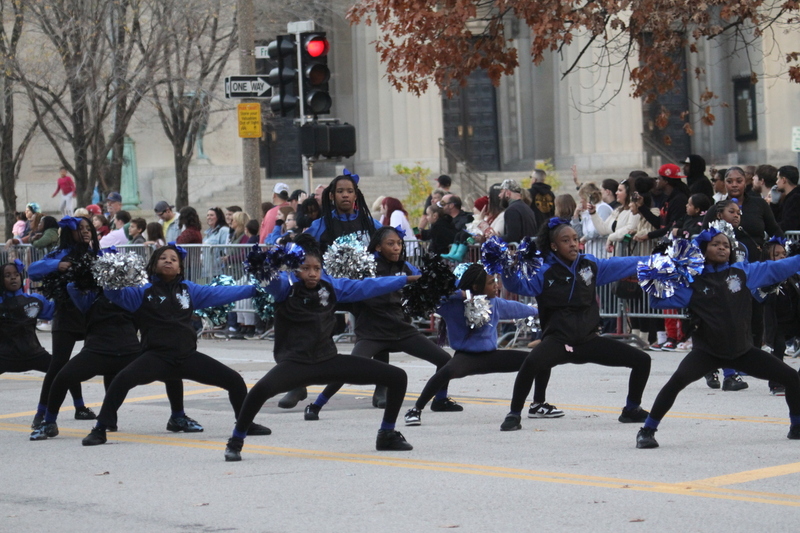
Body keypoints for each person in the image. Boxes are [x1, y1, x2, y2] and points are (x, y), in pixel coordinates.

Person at [224, 235, 419, 461]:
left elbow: (368, 285)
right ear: (295, 269)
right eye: (305, 268)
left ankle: (386, 434)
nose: (312, 273)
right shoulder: (284, 288)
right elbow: (264, 272)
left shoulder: (331, 286)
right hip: (296, 364)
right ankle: (236, 440)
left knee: (397, 377)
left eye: (317, 268)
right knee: (258, 392)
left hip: (328, 361)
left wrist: (405, 280)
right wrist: (273, 257)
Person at [80, 244, 270, 446]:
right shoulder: (140, 292)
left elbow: (222, 293)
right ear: (153, 264)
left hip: (187, 357)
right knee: (121, 381)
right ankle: (100, 428)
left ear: (180, 267)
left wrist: (255, 290)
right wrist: (110, 277)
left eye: (173, 258)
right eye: (163, 258)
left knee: (234, 380)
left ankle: (245, 424)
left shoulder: (190, 290)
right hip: (156, 357)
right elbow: (115, 295)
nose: (168, 260)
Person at [635, 227, 800, 449]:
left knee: (791, 377)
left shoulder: (743, 272)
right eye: (715, 244)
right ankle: (647, 430)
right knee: (675, 383)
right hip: (707, 353)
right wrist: (657, 275)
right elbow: (658, 300)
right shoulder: (692, 282)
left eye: (726, 244)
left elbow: (780, 267)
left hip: (742, 351)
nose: (722, 247)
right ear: (703, 250)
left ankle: (796, 426)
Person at [498, 218, 652, 432]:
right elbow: (517, 284)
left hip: (589, 341)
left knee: (642, 360)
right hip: (558, 341)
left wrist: (656, 260)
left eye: (575, 239)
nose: (572, 244)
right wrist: (504, 268)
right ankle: (514, 414)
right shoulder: (544, 271)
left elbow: (624, 264)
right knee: (531, 364)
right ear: (554, 245)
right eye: (565, 240)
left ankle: (631, 409)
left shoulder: (589, 265)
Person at [304, 227, 457, 420]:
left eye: (399, 244)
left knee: (445, 360)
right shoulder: (366, 268)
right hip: (372, 332)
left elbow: (431, 286)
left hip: (402, 330)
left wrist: (458, 287)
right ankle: (316, 404)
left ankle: (440, 400)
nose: (396, 248)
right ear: (378, 247)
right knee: (348, 369)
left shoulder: (406, 268)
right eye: (390, 244)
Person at [30, 277, 201, 441]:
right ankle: (49, 422)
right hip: (97, 352)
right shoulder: (90, 296)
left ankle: (177, 417)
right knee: (62, 377)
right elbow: (72, 287)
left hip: (131, 353)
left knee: (170, 369)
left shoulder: (132, 296)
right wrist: (87, 273)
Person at [403, 263, 562, 426]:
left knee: (541, 360)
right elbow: (432, 292)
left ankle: (538, 405)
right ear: (476, 286)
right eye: (491, 282)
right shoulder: (451, 305)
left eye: (496, 281)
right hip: (466, 358)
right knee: (446, 372)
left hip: (492, 357)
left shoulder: (496, 303)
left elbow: (524, 309)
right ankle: (415, 409)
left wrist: (548, 311)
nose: (497, 286)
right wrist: (461, 294)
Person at [28, 217, 99, 427]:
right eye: (80, 228)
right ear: (70, 232)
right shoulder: (60, 253)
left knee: (105, 360)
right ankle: (41, 414)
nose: (85, 232)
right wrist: (57, 265)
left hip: (91, 315)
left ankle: (88, 410)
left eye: (88, 228)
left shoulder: (97, 255)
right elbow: (33, 271)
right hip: (67, 314)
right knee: (59, 364)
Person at [0, 261, 54, 385]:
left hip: (34, 354)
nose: (13, 277)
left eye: (16, 274)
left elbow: (51, 312)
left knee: (65, 372)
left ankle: (79, 405)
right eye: (7, 275)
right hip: (5, 356)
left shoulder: (35, 300)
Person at [760, 237, 800, 395]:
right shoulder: (765, 275)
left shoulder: (792, 274)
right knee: (779, 348)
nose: (782, 256)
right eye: (777, 254)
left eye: (784, 254)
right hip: (775, 321)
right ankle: (776, 383)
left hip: (794, 319)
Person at [635, 163, 690, 243]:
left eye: (659, 178)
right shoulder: (667, 199)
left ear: (666, 181)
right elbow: (659, 224)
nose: (657, 181)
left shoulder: (680, 200)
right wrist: (642, 206)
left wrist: (649, 235)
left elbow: (671, 227)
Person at [499, 179, 538, 243]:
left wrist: (496, 239)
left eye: (501, 192)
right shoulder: (526, 207)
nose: (499, 195)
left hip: (520, 251)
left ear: (507, 193)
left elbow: (512, 237)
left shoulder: (512, 210)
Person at [776, 165, 800, 232]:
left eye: (778, 179)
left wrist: (771, 228)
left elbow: (789, 223)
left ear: (783, 180)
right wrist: (774, 203)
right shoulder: (789, 198)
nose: (776, 182)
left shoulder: (795, 199)